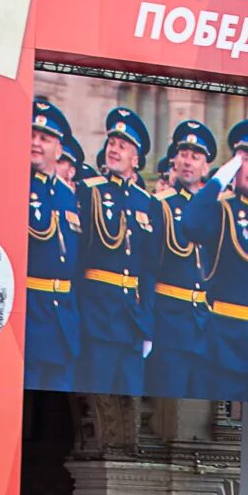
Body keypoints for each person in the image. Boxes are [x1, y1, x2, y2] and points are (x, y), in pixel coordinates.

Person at [179, 119, 248, 403]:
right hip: (225, 346)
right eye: (246, 160)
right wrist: (219, 179)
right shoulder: (220, 210)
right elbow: (189, 225)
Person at [75, 108, 157, 396]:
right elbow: (77, 259)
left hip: (131, 321)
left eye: (122, 146)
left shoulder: (147, 203)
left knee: (128, 402)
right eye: (111, 143)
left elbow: (149, 269)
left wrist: (146, 324)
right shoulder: (88, 191)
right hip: (96, 317)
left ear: (136, 159)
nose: (114, 150)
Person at [145, 120, 216, 400]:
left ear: (206, 167)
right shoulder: (161, 205)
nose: (188, 162)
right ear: (175, 159)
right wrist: (148, 328)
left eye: (195, 157)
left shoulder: (215, 209)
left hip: (205, 324)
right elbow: (149, 269)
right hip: (170, 322)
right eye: (183, 154)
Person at [25, 98, 81, 391]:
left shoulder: (66, 193)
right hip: (30, 315)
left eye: (44, 139)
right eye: (32, 135)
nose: (36, 143)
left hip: (63, 319)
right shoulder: (16, 181)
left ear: (58, 150)